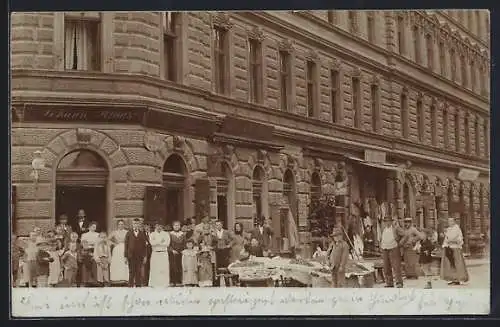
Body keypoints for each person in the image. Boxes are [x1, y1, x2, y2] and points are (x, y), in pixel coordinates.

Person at [441, 217, 469, 285]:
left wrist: (451, 239)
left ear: (454, 222)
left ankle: (458, 279)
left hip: (455, 248)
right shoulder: (448, 229)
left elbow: (458, 238)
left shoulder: (457, 229)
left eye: (451, 221)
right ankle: (452, 278)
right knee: (449, 264)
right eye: (448, 221)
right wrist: (445, 245)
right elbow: (446, 239)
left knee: (457, 263)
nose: (449, 222)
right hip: (448, 247)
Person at [380, 216, 405, 288]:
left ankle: (399, 282)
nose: (387, 222)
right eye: (386, 221)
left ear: (391, 222)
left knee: (396, 266)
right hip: (385, 249)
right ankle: (389, 282)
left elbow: (405, 235)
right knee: (386, 266)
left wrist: (400, 243)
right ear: (384, 222)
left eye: (389, 221)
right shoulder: (383, 229)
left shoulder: (396, 228)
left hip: (394, 248)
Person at [124, 218, 149, 287]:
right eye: (134, 223)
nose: (136, 225)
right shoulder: (128, 233)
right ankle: (130, 285)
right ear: (132, 224)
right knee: (131, 271)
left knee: (138, 270)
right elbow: (126, 245)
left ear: (139, 224)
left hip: (139, 255)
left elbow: (144, 246)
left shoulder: (142, 233)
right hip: (131, 255)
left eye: (137, 223)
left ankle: (138, 285)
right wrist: (125, 256)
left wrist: (145, 256)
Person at [148, 223, 171, 287]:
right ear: (155, 226)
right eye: (157, 226)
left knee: (164, 268)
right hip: (155, 253)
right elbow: (152, 243)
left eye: (160, 226)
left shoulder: (166, 234)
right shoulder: (152, 234)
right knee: (155, 268)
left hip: (163, 253)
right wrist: (161, 241)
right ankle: (154, 283)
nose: (159, 227)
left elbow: (167, 243)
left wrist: (157, 242)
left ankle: (164, 283)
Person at [109, 219, 129, 285]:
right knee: (117, 262)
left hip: (124, 248)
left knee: (124, 263)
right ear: (117, 225)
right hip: (117, 249)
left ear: (124, 225)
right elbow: (107, 239)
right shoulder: (114, 232)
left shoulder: (127, 232)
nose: (121, 225)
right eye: (119, 224)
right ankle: (116, 279)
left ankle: (124, 278)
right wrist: (113, 243)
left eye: (122, 224)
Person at [169, 221, 186, 286]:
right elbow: (168, 244)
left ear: (180, 226)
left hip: (180, 252)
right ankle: (172, 281)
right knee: (172, 266)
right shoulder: (170, 234)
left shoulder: (183, 234)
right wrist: (172, 250)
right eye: (175, 225)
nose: (177, 226)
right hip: (172, 252)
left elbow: (184, 243)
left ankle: (179, 281)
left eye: (178, 225)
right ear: (173, 226)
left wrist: (183, 250)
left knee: (180, 266)